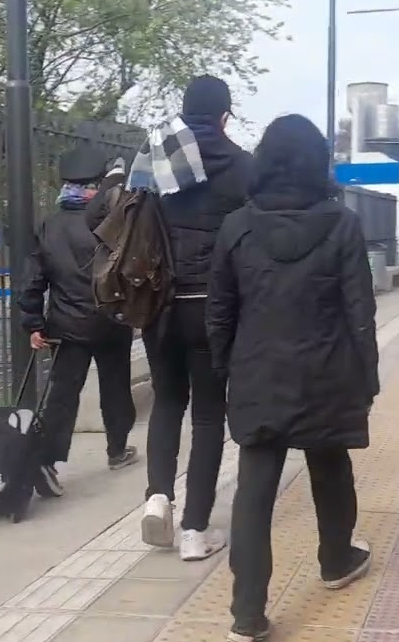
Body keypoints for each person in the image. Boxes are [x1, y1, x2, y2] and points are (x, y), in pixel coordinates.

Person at [208, 114, 378, 642]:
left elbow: (220, 312)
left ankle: (247, 612)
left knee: (254, 488)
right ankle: (336, 559)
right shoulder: (343, 224)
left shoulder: (236, 227)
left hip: (258, 371)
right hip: (326, 370)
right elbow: (360, 310)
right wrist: (367, 376)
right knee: (330, 465)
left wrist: (226, 369)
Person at [132, 75, 254, 561]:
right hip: (214, 309)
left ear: (185, 112)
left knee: (167, 403)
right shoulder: (245, 167)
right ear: (225, 116)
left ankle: (158, 497)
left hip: (158, 305)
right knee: (208, 416)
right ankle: (194, 532)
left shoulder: (157, 158)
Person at [17, 159, 139, 498]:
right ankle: (117, 449)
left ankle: (48, 461)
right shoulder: (113, 223)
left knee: (62, 394)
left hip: (67, 325)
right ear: (98, 186)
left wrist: (33, 322)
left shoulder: (49, 227)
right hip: (112, 321)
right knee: (115, 387)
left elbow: (33, 280)